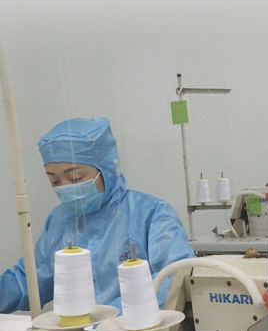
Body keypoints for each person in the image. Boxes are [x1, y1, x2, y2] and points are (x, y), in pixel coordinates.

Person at [0, 117, 195, 312]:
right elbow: (28, 281)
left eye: (75, 177)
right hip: (77, 330)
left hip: (138, 329)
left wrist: (112, 316)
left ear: (108, 169)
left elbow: (175, 275)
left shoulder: (151, 215)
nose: (65, 187)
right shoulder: (59, 221)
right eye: (55, 182)